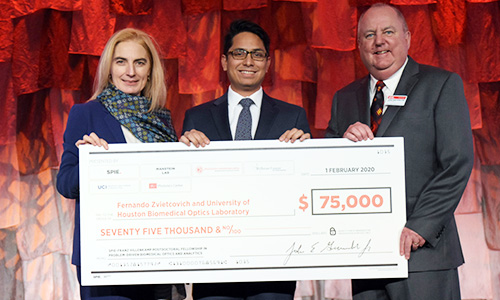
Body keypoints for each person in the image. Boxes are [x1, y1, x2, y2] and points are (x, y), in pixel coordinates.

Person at [325, 3, 474, 300]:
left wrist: (421, 226)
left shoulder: (441, 84)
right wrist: (342, 143)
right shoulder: (344, 98)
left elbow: (456, 163)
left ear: (407, 37)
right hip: (367, 256)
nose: (379, 41)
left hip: (425, 254)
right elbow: (327, 166)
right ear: (358, 45)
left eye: (388, 32)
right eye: (369, 35)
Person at [180, 20, 311, 300]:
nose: (248, 61)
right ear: (225, 61)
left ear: (267, 62)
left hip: (274, 261)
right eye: (239, 53)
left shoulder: (294, 117)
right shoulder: (196, 118)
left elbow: (303, 189)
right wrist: (182, 157)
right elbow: (186, 190)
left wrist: (305, 154)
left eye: (257, 54)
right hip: (214, 261)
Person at [56, 28, 184, 300]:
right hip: (105, 255)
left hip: (156, 253)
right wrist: (91, 162)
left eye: (140, 62)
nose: (131, 71)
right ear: (110, 69)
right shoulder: (86, 113)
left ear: (150, 70)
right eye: (121, 61)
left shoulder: (161, 119)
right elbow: (65, 184)